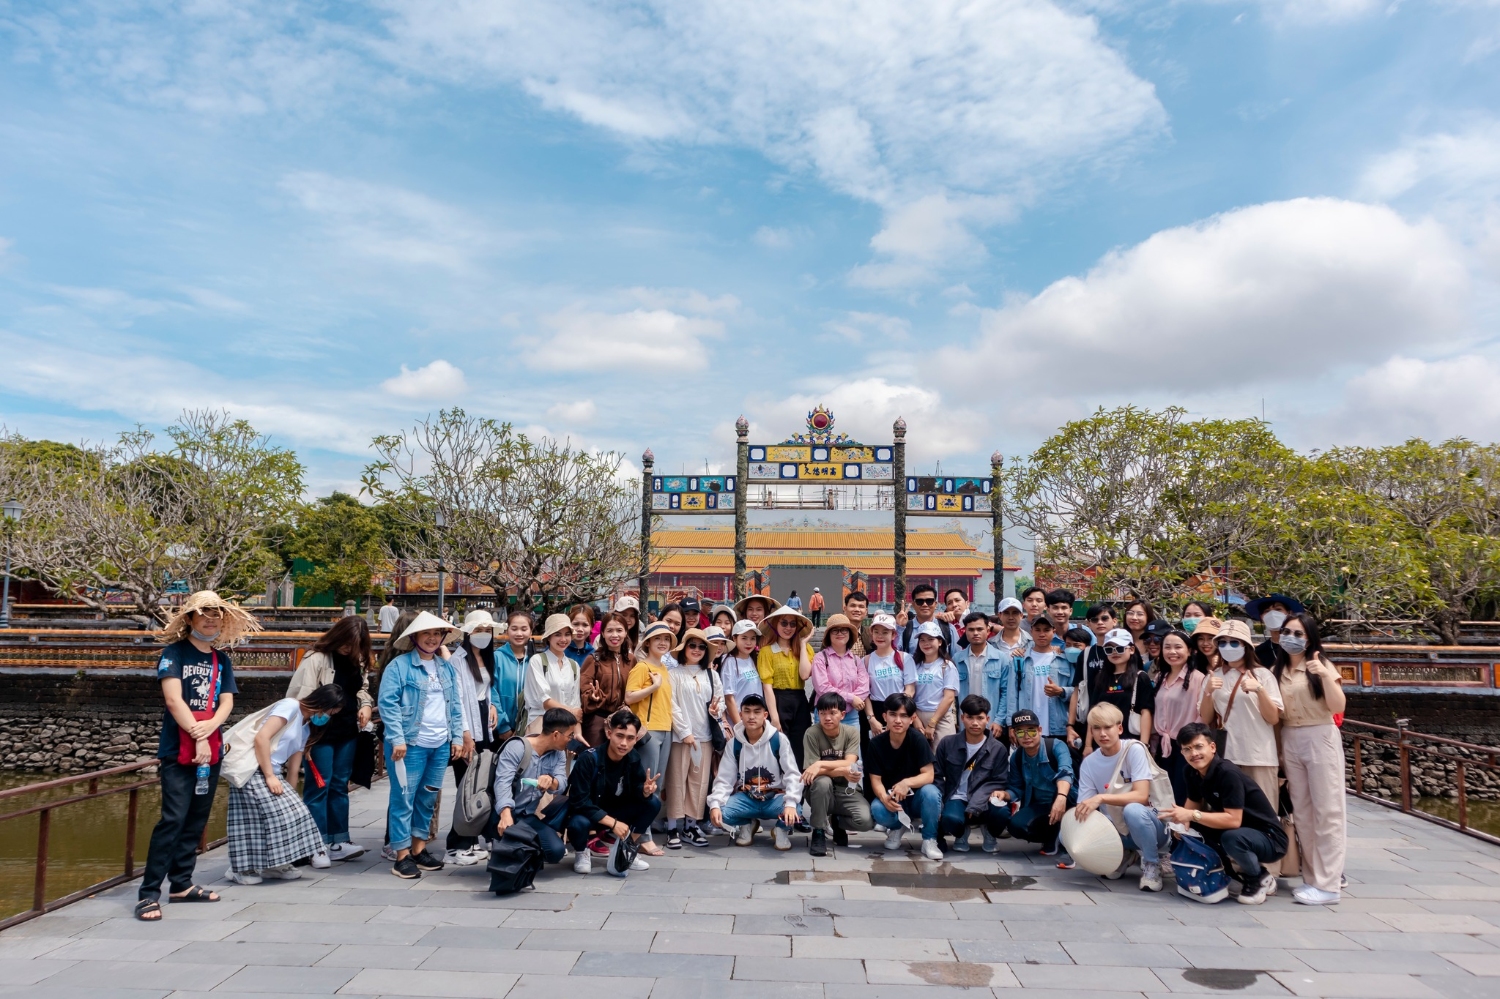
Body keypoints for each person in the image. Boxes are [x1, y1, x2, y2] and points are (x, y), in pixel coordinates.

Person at [136, 591, 253, 921]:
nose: (210, 619)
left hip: (210, 749)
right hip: (179, 749)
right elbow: (174, 700)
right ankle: (148, 892)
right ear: (189, 618)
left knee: (196, 819)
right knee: (172, 818)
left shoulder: (221, 659)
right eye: (204, 613)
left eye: (216, 614)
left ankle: (182, 883)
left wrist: (210, 728)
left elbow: (227, 701)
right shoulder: (174, 654)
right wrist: (197, 732)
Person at [378, 611, 468, 880]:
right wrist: (397, 738)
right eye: (427, 633)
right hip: (410, 743)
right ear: (414, 636)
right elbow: (388, 704)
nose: (432, 638)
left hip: (439, 744)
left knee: (428, 797)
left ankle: (419, 848)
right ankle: (402, 854)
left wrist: (456, 738)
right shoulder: (400, 666)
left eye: (437, 633)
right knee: (404, 798)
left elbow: (454, 705)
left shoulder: (445, 667)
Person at [226, 684, 344, 884]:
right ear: (322, 704)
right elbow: (262, 738)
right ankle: (240, 868)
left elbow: (294, 762)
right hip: (254, 767)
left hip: (272, 771)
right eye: (329, 712)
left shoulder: (306, 726)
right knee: (254, 821)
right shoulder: (290, 706)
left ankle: (275, 864)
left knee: (295, 814)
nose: (327, 717)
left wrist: (290, 789)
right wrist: (269, 775)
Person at [1163, 722, 1288, 904]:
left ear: (1212, 747)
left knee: (1231, 837)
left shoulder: (1227, 773)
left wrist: (1192, 815)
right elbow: (1193, 803)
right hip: (1241, 831)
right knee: (1193, 829)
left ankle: (1258, 878)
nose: (1194, 754)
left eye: (1199, 747)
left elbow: (1233, 820)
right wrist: (1181, 826)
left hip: (1270, 838)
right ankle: (1228, 874)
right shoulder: (1191, 771)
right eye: (1187, 749)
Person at [1270, 613, 1347, 905]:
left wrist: (1325, 675)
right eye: (1287, 631)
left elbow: (1338, 705)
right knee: (1302, 812)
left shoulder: (1321, 665)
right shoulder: (1275, 671)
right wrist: (1278, 752)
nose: (1292, 637)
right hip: (1291, 738)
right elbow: (1276, 718)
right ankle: (1313, 879)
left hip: (1320, 736)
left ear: (1310, 638)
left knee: (1328, 811)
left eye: (1299, 634)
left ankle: (1330, 884)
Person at [286, 616, 374, 863]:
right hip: (320, 732)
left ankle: (339, 839)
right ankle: (316, 844)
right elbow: (300, 699)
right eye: (345, 643)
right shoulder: (316, 659)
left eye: (354, 645)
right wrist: (303, 736)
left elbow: (361, 689)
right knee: (319, 786)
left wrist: (366, 704)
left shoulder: (358, 660)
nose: (348, 648)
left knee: (339, 785)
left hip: (347, 730)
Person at [1076, 702, 1170, 892]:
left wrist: (1101, 798)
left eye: (1108, 727)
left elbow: (1142, 796)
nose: (1102, 734)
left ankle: (1152, 864)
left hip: (1153, 825)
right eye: (1097, 728)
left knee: (1133, 810)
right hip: (1116, 828)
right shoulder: (1089, 763)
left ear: (1119, 728)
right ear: (1091, 732)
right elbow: (1084, 806)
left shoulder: (1133, 749)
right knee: (1070, 830)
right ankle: (1124, 854)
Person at [1199, 619, 1283, 814]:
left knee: (1264, 813)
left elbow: (1273, 718)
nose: (1228, 647)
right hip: (1227, 754)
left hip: (1259, 755)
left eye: (1234, 642)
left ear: (1245, 645)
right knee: (1229, 812)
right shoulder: (1213, 676)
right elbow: (1205, 716)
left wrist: (1259, 690)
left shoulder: (1263, 675)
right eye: (1223, 643)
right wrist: (1208, 692)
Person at [567, 708, 660, 876]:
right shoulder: (588, 759)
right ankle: (582, 852)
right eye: (620, 736)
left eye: (630, 738)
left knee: (653, 802)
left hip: (615, 810)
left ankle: (625, 850)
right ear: (609, 733)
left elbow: (636, 792)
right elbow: (579, 801)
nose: (624, 743)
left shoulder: (633, 758)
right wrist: (613, 824)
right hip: (589, 813)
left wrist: (645, 791)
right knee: (577, 823)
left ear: (636, 739)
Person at [708, 694, 803, 851]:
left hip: (774, 798)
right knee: (720, 812)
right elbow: (724, 779)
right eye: (747, 711)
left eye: (757, 711)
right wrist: (715, 804)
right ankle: (747, 824)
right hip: (747, 798)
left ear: (765, 715)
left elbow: (792, 774)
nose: (751, 716)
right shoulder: (734, 744)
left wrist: (791, 802)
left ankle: (780, 829)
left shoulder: (778, 740)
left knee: (796, 810)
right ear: (741, 714)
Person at [444, 610, 499, 865]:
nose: (483, 635)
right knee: (465, 786)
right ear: (468, 633)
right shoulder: (458, 660)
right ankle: (455, 845)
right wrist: (465, 735)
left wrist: (492, 706)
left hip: (483, 726)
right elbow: (456, 702)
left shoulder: (487, 658)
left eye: (487, 630)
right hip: (466, 727)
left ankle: (472, 840)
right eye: (478, 630)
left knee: (479, 786)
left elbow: (485, 691)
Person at [665, 628, 724, 848]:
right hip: (682, 738)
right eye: (692, 646)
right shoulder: (674, 674)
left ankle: (691, 825)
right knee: (677, 781)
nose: (697, 650)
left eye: (701, 647)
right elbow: (672, 706)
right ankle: (673, 827)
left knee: (698, 783)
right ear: (684, 648)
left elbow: (719, 701)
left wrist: (717, 710)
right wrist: (684, 732)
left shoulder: (711, 674)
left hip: (705, 736)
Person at [494, 707, 574, 865]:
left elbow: (562, 783)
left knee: (555, 851)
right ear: (556, 734)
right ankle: (505, 843)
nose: (571, 739)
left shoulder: (558, 753)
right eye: (570, 735)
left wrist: (551, 781)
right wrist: (505, 815)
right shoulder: (517, 747)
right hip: (502, 811)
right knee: (513, 849)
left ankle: (521, 848)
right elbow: (502, 783)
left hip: (526, 815)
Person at [867, 693, 943, 859]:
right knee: (877, 809)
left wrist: (907, 782)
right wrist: (883, 797)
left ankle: (929, 839)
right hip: (892, 798)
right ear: (884, 716)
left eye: (904, 716)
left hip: (917, 798)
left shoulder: (918, 740)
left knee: (931, 792)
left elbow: (929, 775)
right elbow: (876, 781)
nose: (898, 720)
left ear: (912, 718)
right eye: (893, 715)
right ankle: (898, 827)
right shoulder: (876, 744)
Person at [934, 695, 1009, 854]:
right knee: (950, 820)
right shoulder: (947, 743)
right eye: (970, 717)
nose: (975, 723)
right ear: (962, 718)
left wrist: (976, 802)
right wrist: (938, 804)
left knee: (1002, 812)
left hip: (985, 798)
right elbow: (937, 776)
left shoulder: (998, 748)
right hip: (957, 797)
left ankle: (989, 830)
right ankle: (961, 833)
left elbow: (999, 781)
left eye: (980, 718)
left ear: (987, 719)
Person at [802, 692, 874, 856]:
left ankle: (837, 822)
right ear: (817, 714)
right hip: (818, 792)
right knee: (822, 782)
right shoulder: (811, 733)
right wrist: (841, 770)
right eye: (822, 713)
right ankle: (819, 831)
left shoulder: (851, 732)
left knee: (865, 821)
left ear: (842, 714)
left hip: (845, 789)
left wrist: (820, 763)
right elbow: (812, 772)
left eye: (832, 713)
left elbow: (850, 762)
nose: (827, 718)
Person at [625, 621, 675, 855]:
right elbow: (629, 697)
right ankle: (642, 836)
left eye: (666, 639)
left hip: (666, 728)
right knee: (647, 785)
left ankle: (642, 832)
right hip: (648, 731)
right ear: (648, 643)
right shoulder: (642, 668)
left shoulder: (664, 669)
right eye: (658, 639)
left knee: (657, 784)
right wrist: (653, 687)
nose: (663, 643)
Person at [1000, 708, 1075, 854]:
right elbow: (1016, 788)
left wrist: (1061, 797)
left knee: (1061, 792)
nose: (1026, 736)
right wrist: (1004, 795)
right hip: (1039, 805)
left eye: (1031, 730)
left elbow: (1066, 773)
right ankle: (1052, 836)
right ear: (1015, 735)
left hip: (1066, 800)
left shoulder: (1056, 746)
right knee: (1015, 826)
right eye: (1020, 732)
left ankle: (1066, 835)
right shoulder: (1017, 757)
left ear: (1040, 730)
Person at [1152, 629, 1206, 805]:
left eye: (1178, 647)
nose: (1172, 652)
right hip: (1163, 746)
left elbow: (1203, 715)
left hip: (1187, 746)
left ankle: (1183, 832)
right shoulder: (1161, 677)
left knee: (1183, 795)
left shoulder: (1198, 679)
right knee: (1164, 795)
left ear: (1189, 650)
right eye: (1167, 647)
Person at [757, 605, 815, 766]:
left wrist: (803, 645)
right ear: (775, 624)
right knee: (778, 746)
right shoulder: (766, 652)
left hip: (799, 699)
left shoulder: (805, 649)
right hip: (777, 699)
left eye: (792, 624)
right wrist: (774, 717)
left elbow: (805, 675)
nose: (788, 628)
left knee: (799, 745)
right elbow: (767, 686)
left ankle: (799, 786)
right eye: (783, 623)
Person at [1087, 628, 1156, 753]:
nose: (1114, 653)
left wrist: (1144, 744)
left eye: (1119, 648)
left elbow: (1146, 712)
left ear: (1131, 649)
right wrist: (1088, 745)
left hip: (1131, 742)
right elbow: (1093, 712)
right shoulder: (1101, 677)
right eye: (1109, 649)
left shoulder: (1140, 677)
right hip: (1103, 742)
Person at [1014, 617, 1078, 743]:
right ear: (1031, 631)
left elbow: (1077, 691)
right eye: (1037, 630)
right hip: (1028, 726)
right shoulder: (1020, 659)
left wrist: (1061, 691)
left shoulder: (1064, 659)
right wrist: (1011, 724)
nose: (1042, 634)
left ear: (1053, 631)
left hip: (1058, 726)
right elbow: (1012, 694)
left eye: (1046, 630)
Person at [524, 614, 583, 736]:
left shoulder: (573, 666)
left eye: (567, 634)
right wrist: (571, 711)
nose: (563, 639)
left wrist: (577, 733)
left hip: (565, 728)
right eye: (557, 634)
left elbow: (575, 702)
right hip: (541, 725)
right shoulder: (538, 661)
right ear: (549, 638)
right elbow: (544, 700)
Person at [580, 612, 633, 747]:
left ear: (626, 633)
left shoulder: (631, 660)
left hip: (622, 721)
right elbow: (583, 688)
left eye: (619, 630)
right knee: (595, 761)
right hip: (597, 719)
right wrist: (592, 696)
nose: (614, 635)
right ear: (602, 633)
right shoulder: (593, 659)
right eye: (609, 630)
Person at [956, 611, 1009, 734]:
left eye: (980, 629)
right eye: (971, 630)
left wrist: (999, 721)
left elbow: (1006, 692)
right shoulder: (957, 659)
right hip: (966, 722)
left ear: (988, 630)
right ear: (965, 631)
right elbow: (953, 696)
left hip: (992, 723)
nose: (975, 633)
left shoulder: (1001, 659)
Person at [863, 613, 915, 738]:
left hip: (900, 710)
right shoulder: (865, 661)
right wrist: (871, 718)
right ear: (872, 634)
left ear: (893, 635)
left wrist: (898, 712)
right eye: (876, 632)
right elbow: (865, 694)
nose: (880, 636)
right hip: (876, 711)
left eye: (885, 632)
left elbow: (910, 689)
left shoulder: (905, 658)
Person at [812, 614, 868, 727]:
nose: (840, 633)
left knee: (853, 744)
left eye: (844, 630)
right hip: (826, 714)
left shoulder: (856, 660)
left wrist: (854, 701)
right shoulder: (821, 658)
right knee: (825, 745)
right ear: (829, 635)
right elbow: (822, 687)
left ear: (849, 634)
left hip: (850, 715)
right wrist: (851, 698)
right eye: (835, 631)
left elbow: (864, 686)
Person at [490, 610, 532, 741]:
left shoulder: (534, 659)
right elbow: (492, 691)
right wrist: (503, 727)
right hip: (500, 729)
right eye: (514, 629)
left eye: (524, 629)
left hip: (528, 729)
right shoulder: (497, 657)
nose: (519, 633)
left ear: (530, 632)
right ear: (507, 630)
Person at [719, 619, 764, 727]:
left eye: (752, 638)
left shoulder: (753, 659)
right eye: (744, 638)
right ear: (734, 638)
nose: (749, 643)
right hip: (740, 723)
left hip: (755, 722)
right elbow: (729, 698)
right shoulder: (730, 662)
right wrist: (740, 726)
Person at [1245, 594, 1304, 667]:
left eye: (1278, 609)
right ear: (1262, 617)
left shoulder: (1301, 647)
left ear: (1289, 613)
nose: (1272, 614)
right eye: (1267, 611)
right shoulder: (1258, 653)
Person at [898, 583, 956, 655]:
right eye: (920, 601)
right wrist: (899, 628)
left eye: (929, 601)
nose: (925, 604)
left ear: (935, 604)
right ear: (913, 605)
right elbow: (893, 654)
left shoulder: (948, 628)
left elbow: (956, 658)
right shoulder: (905, 629)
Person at [843, 589, 873, 654]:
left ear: (866, 611)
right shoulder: (836, 633)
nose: (857, 609)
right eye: (853, 606)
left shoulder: (870, 635)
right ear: (845, 609)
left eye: (861, 606)